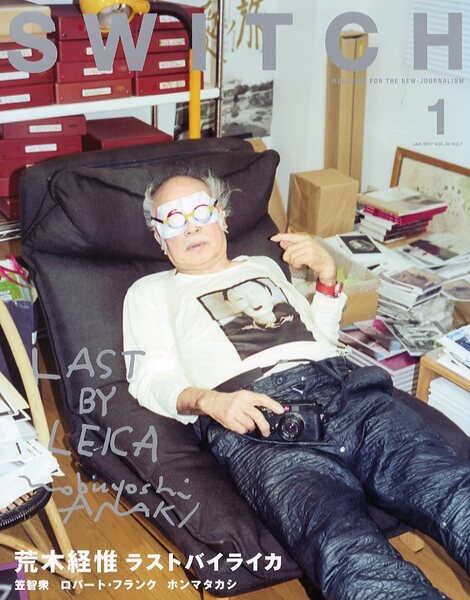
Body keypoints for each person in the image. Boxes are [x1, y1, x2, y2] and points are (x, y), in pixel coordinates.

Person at [123, 171, 469, 600]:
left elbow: (321, 341)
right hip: (260, 424)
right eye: (174, 219)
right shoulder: (149, 293)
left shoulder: (264, 265)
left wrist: (328, 277)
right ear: (160, 238)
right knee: (346, 553)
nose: (191, 227)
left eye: (200, 211)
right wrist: (211, 402)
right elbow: (149, 378)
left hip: (346, 392)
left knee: (451, 488)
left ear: (223, 218)